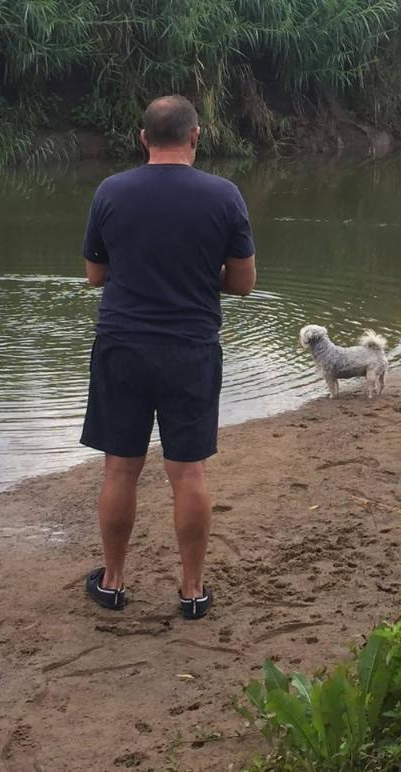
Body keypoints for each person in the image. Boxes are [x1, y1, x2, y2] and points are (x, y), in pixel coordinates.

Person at [79, 95, 256, 620]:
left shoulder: (111, 191)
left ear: (143, 138)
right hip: (190, 349)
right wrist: (198, 278)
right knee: (188, 474)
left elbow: (95, 274)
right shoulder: (224, 195)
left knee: (120, 470)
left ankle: (112, 583)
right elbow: (244, 283)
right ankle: (193, 592)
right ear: (195, 136)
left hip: (122, 347)